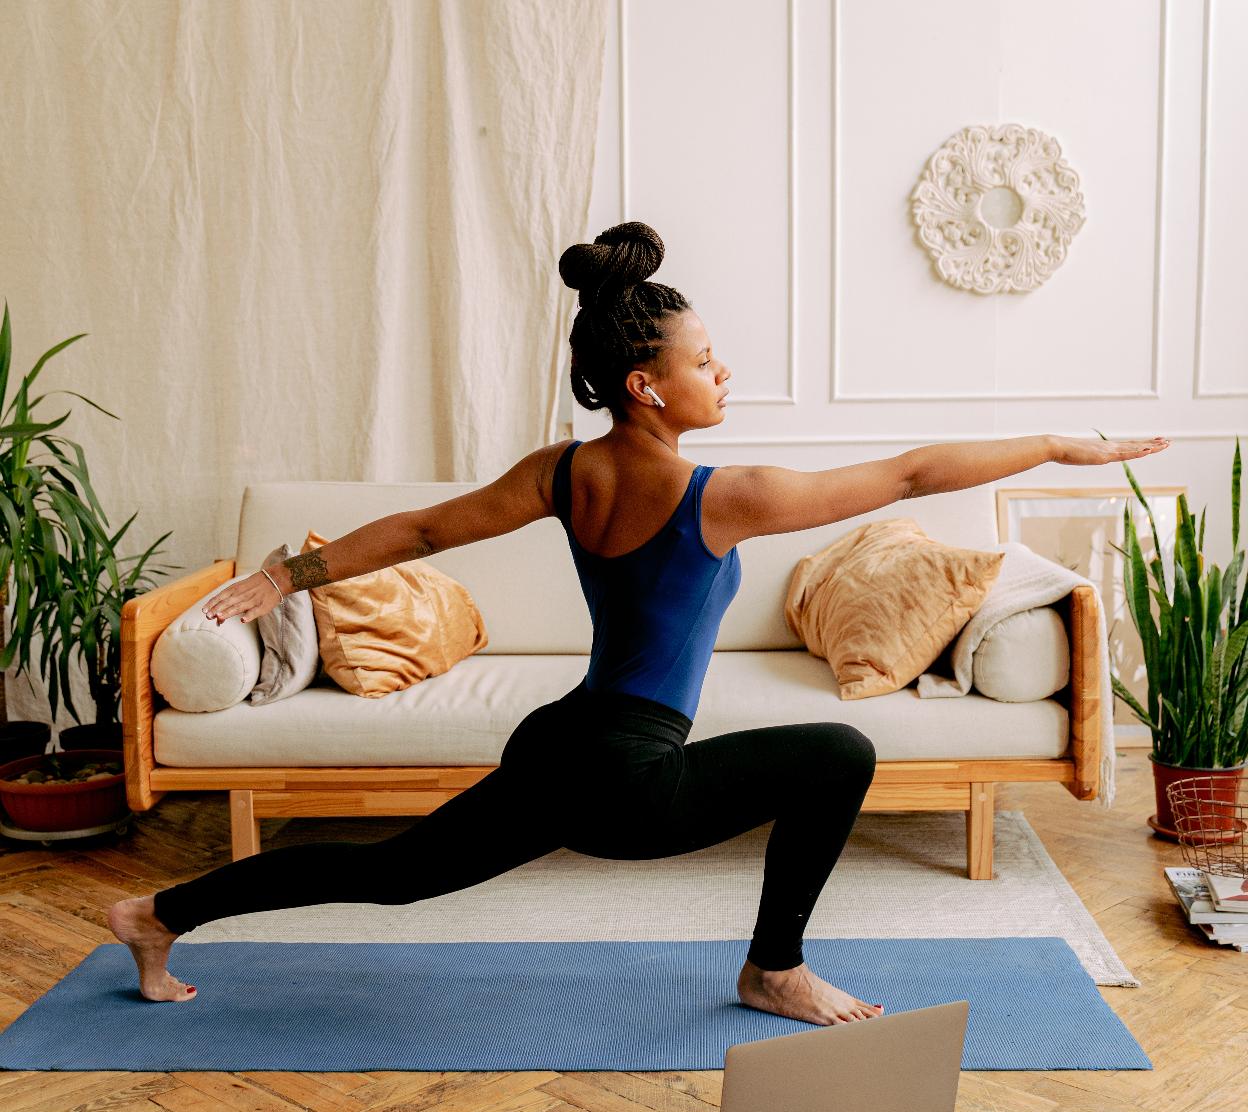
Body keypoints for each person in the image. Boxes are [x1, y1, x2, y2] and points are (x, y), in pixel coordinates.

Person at [108, 221, 1170, 1025]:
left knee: (391, 875)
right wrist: (1057, 445)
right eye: (704, 362)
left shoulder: (564, 472)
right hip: (622, 777)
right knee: (837, 751)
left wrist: (293, 573)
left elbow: (430, 528)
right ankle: (774, 968)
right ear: (644, 386)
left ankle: (158, 917)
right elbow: (906, 473)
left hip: (565, 741)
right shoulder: (722, 495)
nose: (723, 373)